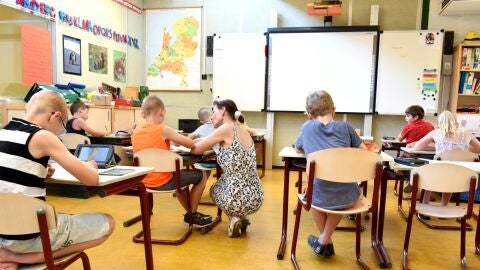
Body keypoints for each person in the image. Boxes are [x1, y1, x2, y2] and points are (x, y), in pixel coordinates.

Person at [0, 90, 114, 269]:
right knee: (108, 222)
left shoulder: (4, 131)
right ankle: (17, 257)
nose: (61, 132)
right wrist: (91, 165)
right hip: (32, 236)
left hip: (4, 233)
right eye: (62, 126)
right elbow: (91, 179)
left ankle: (11, 253)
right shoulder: (43, 136)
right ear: (55, 116)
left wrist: (41, 171)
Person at [294, 90, 367, 258]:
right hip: (348, 196)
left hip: (317, 195)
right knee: (339, 192)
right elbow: (364, 153)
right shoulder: (346, 127)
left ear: (309, 114)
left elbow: (298, 147)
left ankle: (324, 240)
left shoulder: (306, 127)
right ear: (334, 109)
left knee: (311, 195)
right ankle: (324, 240)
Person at [131, 95, 212, 228]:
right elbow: (189, 144)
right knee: (200, 175)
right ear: (162, 112)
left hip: (142, 182)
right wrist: (196, 140)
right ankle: (191, 216)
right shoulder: (163, 129)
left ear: (143, 113)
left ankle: (191, 214)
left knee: (180, 177)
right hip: (163, 181)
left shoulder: (135, 131)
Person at [190, 99, 264, 238]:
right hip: (256, 196)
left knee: (214, 189)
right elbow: (214, 141)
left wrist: (184, 142)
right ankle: (242, 217)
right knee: (229, 183)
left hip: (236, 197)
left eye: (214, 111)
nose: (212, 116)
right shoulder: (242, 130)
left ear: (223, 110)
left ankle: (234, 218)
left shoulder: (225, 128)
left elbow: (197, 150)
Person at [413, 110, 480, 214]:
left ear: (439, 122)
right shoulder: (466, 133)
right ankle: (444, 206)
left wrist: (435, 148)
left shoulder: (436, 132)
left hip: (437, 173)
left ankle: (425, 205)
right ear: (454, 121)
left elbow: (417, 147)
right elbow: (478, 148)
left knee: (428, 175)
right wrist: (463, 151)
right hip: (460, 175)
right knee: (451, 175)